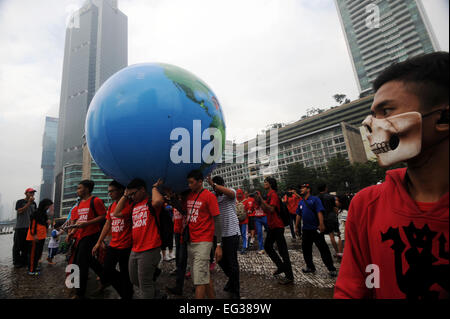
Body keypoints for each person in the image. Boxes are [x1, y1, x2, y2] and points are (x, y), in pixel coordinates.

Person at [335, 52, 449, 299]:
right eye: (374, 114)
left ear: (443, 118)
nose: (371, 124)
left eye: (386, 111)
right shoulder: (367, 204)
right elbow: (352, 289)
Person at [113, 178, 164, 299]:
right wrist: (125, 196)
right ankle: (157, 295)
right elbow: (116, 213)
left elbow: (158, 202)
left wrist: (154, 188)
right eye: (130, 195)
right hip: (135, 249)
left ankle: (153, 294)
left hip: (150, 248)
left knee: (145, 284)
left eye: (133, 194)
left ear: (142, 190)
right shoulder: (133, 205)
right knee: (134, 280)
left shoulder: (150, 202)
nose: (132, 197)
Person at [184, 170, 223, 299]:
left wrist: (218, 245)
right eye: (188, 182)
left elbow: (217, 220)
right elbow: (184, 211)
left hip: (204, 242)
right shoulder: (189, 196)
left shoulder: (209, 196)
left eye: (191, 182)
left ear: (200, 182)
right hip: (191, 242)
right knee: (203, 276)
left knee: (199, 281)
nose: (189, 185)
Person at [92, 180, 134, 299]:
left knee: (125, 273)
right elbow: (107, 224)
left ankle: (127, 294)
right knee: (106, 272)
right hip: (114, 245)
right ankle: (126, 290)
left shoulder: (130, 204)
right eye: (108, 191)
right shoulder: (111, 206)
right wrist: (98, 242)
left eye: (112, 191)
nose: (109, 193)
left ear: (121, 190)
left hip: (127, 246)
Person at [69, 180, 107, 299]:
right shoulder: (80, 203)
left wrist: (87, 224)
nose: (77, 190)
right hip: (81, 236)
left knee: (80, 264)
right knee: (89, 260)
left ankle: (79, 293)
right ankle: (107, 277)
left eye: (79, 188)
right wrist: (72, 232)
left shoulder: (95, 201)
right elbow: (79, 221)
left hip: (92, 235)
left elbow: (103, 216)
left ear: (86, 189)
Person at [207, 175, 241, 299]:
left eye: (215, 187)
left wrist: (213, 184)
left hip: (232, 233)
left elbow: (228, 193)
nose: (214, 190)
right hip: (218, 235)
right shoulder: (212, 197)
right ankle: (232, 280)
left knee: (232, 262)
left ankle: (236, 290)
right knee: (219, 260)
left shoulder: (230, 193)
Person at [256, 177, 294, 285]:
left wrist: (262, 201)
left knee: (283, 251)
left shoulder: (273, 194)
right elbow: (265, 209)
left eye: (266, 182)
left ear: (270, 184)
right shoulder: (268, 195)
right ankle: (281, 266)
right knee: (268, 246)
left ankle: (289, 276)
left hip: (277, 225)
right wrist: (260, 202)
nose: (264, 183)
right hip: (272, 226)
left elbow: (272, 209)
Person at [296, 183, 337, 277]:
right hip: (305, 230)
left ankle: (331, 268)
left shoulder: (315, 199)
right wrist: (296, 226)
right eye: (300, 188)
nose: (301, 189)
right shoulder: (301, 202)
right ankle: (310, 267)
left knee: (323, 249)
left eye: (303, 188)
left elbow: (319, 212)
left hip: (315, 229)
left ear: (308, 189)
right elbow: (298, 214)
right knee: (306, 249)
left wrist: (321, 224)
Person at [166, 190, 190, 296]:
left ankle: (199, 286)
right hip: (177, 232)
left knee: (183, 260)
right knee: (180, 260)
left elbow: (182, 210)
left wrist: (172, 199)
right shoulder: (176, 202)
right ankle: (178, 286)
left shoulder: (185, 201)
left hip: (185, 233)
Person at [26, 198, 52, 275]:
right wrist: (34, 235)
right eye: (48, 205)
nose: (48, 207)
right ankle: (31, 270)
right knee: (33, 254)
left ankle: (34, 266)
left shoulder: (44, 214)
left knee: (38, 253)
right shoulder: (36, 213)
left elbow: (45, 224)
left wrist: (48, 223)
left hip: (42, 236)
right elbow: (33, 224)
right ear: (44, 205)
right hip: (35, 237)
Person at [13, 188, 37, 268]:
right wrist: (29, 203)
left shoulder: (34, 203)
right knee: (17, 246)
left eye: (33, 193)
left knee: (26, 246)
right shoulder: (20, 202)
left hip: (29, 228)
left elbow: (34, 215)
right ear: (26, 193)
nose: (32, 194)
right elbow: (19, 211)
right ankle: (16, 262)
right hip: (20, 227)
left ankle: (24, 261)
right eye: (30, 192)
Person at [318, 184, 343, 258]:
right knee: (339, 235)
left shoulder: (317, 198)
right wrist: (338, 214)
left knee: (331, 235)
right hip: (332, 217)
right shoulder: (330, 197)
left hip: (323, 218)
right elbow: (335, 207)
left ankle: (336, 252)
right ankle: (340, 252)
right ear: (325, 188)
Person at [236, 189, 248, 254]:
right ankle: (240, 247)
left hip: (244, 221)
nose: (239, 195)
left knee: (244, 234)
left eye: (240, 193)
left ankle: (244, 247)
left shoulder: (245, 201)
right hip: (238, 221)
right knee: (238, 234)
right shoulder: (235, 201)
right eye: (238, 194)